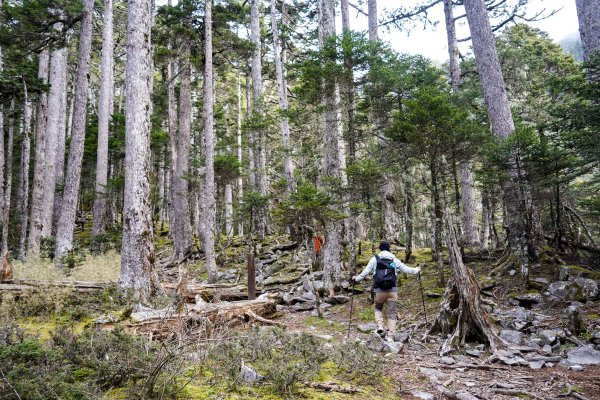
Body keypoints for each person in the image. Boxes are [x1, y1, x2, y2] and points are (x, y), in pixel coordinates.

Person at [352, 241, 421, 341]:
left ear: (380, 249)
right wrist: (416, 270)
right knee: (391, 313)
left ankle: (380, 326)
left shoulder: (375, 259)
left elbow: (365, 272)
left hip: (379, 291)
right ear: (389, 249)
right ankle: (391, 336)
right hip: (392, 291)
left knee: (378, 308)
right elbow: (406, 269)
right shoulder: (394, 259)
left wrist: (356, 279)